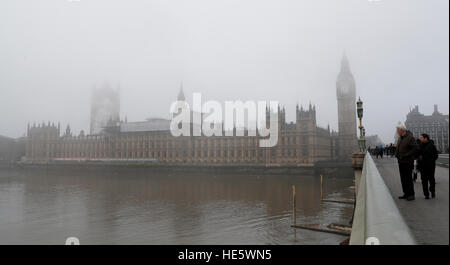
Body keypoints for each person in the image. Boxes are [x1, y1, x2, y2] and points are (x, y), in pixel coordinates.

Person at [394, 122, 418, 201]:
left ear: (401, 130)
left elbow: (415, 148)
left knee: (408, 178)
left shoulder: (410, 137)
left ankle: (411, 194)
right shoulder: (400, 137)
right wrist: (396, 155)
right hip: (401, 161)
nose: (397, 131)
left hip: (407, 161)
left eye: (397, 129)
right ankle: (406, 193)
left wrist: (406, 155)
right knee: (403, 178)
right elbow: (398, 148)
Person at [418, 134, 438, 199]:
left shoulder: (432, 145)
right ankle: (426, 194)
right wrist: (419, 158)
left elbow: (436, 155)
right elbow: (417, 154)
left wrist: (431, 161)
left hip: (430, 166)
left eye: (421, 137)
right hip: (422, 166)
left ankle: (432, 191)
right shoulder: (420, 146)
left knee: (432, 180)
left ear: (425, 138)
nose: (420, 138)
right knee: (424, 181)